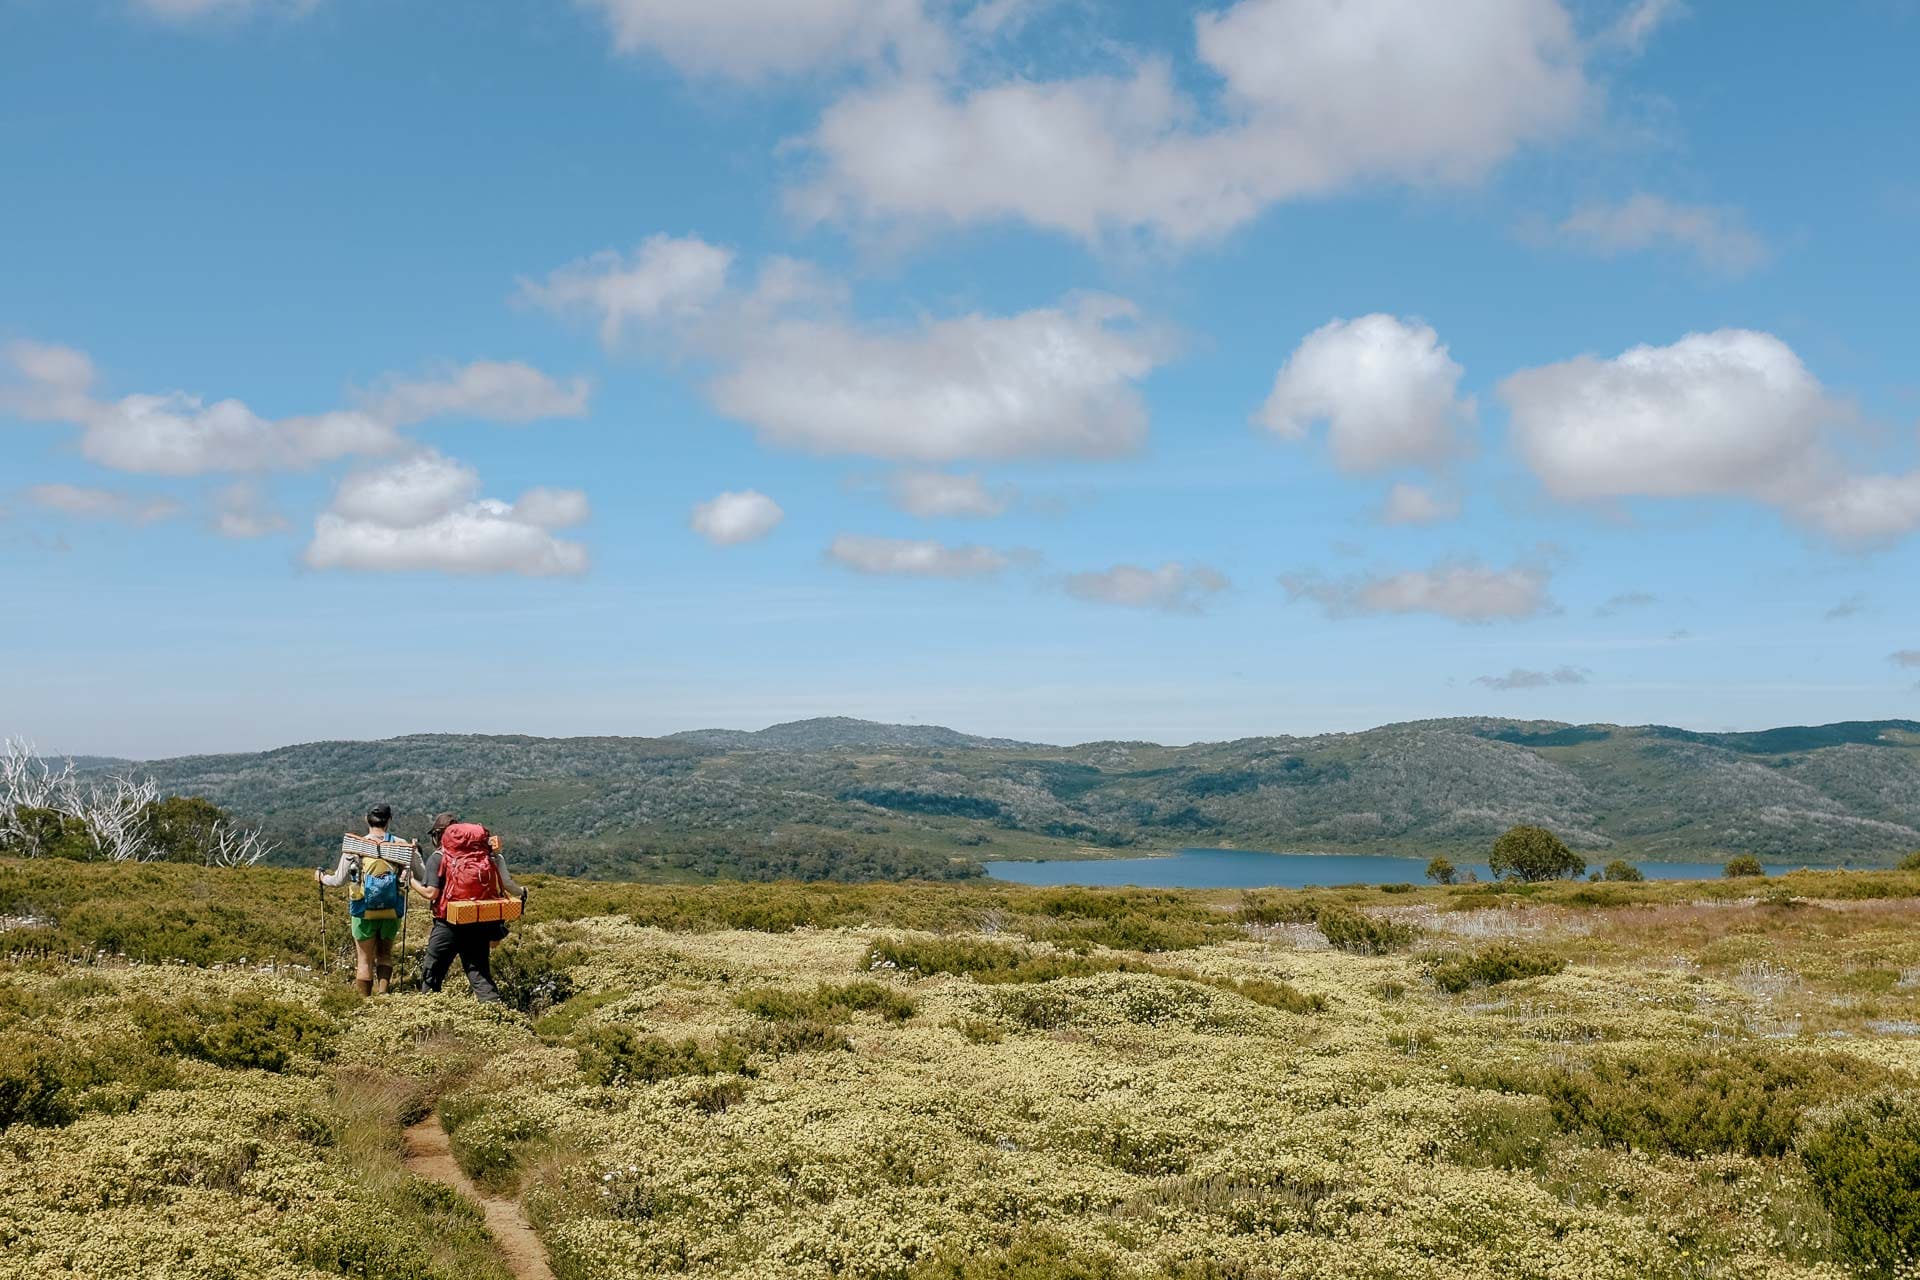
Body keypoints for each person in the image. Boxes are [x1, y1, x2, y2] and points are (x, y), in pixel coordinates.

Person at [414, 811, 525, 1005]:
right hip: (478, 921)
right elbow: (506, 883)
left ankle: (427, 1018)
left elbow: (431, 894)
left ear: (440, 834)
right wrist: (522, 892)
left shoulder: (438, 857)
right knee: (479, 974)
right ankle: (498, 1016)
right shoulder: (488, 857)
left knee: (432, 973)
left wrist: (410, 881)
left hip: (447, 925)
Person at [315, 804, 422, 996]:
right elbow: (421, 874)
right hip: (392, 908)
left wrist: (322, 878)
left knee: (364, 960)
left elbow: (338, 880)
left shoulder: (355, 846)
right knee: (385, 954)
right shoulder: (401, 845)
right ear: (390, 819)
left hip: (362, 909)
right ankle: (383, 994)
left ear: (367, 819)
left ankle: (365, 1002)